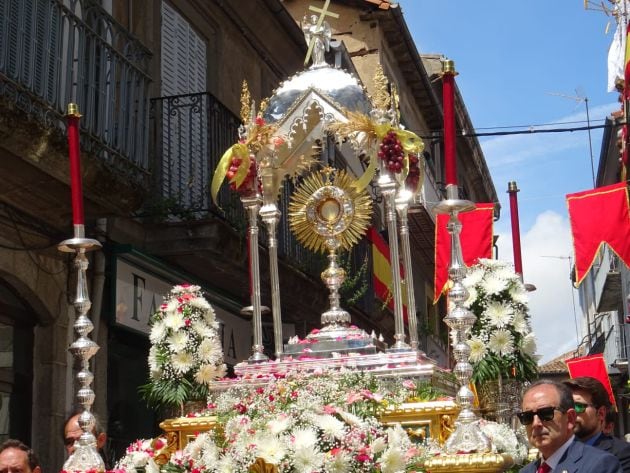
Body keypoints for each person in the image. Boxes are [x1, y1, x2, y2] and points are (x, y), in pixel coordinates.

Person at [518, 379, 622, 473]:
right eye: (527, 417)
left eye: (546, 413)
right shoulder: (526, 471)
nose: (536, 423)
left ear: (570, 418)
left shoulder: (600, 465)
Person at [564, 376, 630, 472]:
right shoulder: (558, 453)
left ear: (601, 413)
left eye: (578, 406)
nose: (570, 413)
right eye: (566, 406)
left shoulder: (621, 454)